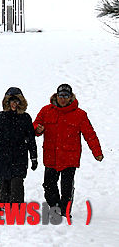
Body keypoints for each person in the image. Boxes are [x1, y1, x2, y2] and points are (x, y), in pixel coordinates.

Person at [33, 83, 103, 217]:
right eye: (61, 95)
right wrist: (37, 129)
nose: (63, 98)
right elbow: (35, 125)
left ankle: (64, 211)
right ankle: (55, 208)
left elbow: (90, 134)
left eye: (66, 96)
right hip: (51, 156)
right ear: (56, 96)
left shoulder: (80, 114)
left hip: (69, 157)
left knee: (66, 187)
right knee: (48, 186)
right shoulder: (46, 111)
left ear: (71, 97)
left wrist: (97, 152)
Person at [0, 86, 38, 204]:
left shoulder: (25, 118)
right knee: (3, 183)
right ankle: (4, 208)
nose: (14, 104)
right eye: (12, 101)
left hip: (19, 156)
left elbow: (31, 139)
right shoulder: (0, 117)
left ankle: (17, 209)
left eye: (16, 101)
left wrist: (33, 156)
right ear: (7, 102)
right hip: (2, 156)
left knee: (17, 184)